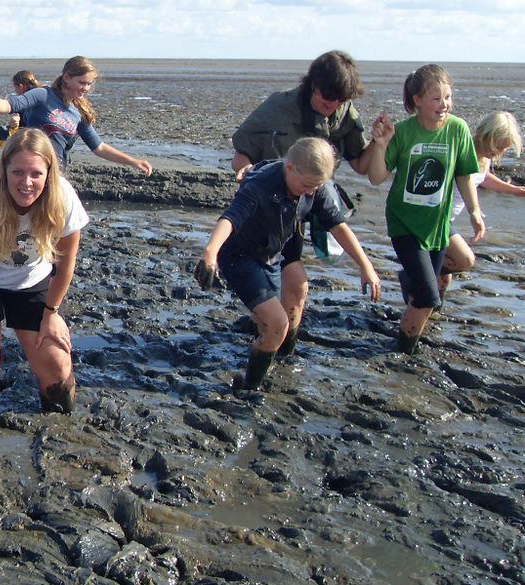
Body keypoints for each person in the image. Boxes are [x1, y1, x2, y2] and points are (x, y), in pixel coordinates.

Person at [195, 137, 381, 391]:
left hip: (272, 256)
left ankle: (271, 351)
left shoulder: (315, 188)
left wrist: (365, 265)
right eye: (306, 185)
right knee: (278, 324)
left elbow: (338, 227)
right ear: (289, 167)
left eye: (316, 186)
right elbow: (230, 218)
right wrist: (210, 253)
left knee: (271, 322)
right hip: (239, 256)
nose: (310, 192)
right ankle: (249, 386)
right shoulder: (261, 184)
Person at [0, 128, 89, 424]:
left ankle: (61, 426)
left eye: (36, 173)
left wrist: (52, 312)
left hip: (32, 282)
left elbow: (67, 257)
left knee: (56, 359)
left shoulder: (63, 197)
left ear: (49, 173)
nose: (26, 182)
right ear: (4, 169)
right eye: (18, 172)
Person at [367, 64, 484, 354]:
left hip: (438, 225)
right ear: (417, 100)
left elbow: (464, 175)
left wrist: (474, 211)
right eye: (436, 98)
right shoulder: (404, 132)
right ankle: (403, 351)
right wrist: (381, 144)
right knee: (428, 297)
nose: (444, 105)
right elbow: (376, 177)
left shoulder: (458, 129)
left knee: (424, 295)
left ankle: (406, 332)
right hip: (404, 224)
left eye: (448, 97)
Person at [0, 56, 152, 176]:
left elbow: (99, 147)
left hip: (54, 172)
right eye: (82, 83)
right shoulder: (43, 95)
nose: (85, 88)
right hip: (25, 167)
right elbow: (8, 105)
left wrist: (133, 162)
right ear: (67, 77)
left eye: (89, 84)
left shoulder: (78, 113)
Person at [231, 50, 382, 182]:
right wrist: (246, 169)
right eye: (328, 96)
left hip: (319, 191)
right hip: (276, 188)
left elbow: (361, 166)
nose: (334, 104)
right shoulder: (278, 106)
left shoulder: (346, 113)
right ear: (313, 85)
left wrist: (378, 141)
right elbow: (241, 156)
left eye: (341, 99)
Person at [437, 111, 523, 298]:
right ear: (486, 135)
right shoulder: (463, 150)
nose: (499, 152)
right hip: (436, 216)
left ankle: (433, 310)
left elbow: (482, 178)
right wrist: (474, 211)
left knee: (445, 279)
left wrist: (516, 190)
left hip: (448, 219)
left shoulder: (485, 157)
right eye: (497, 146)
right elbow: (465, 176)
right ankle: (417, 272)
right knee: (465, 260)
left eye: (503, 149)